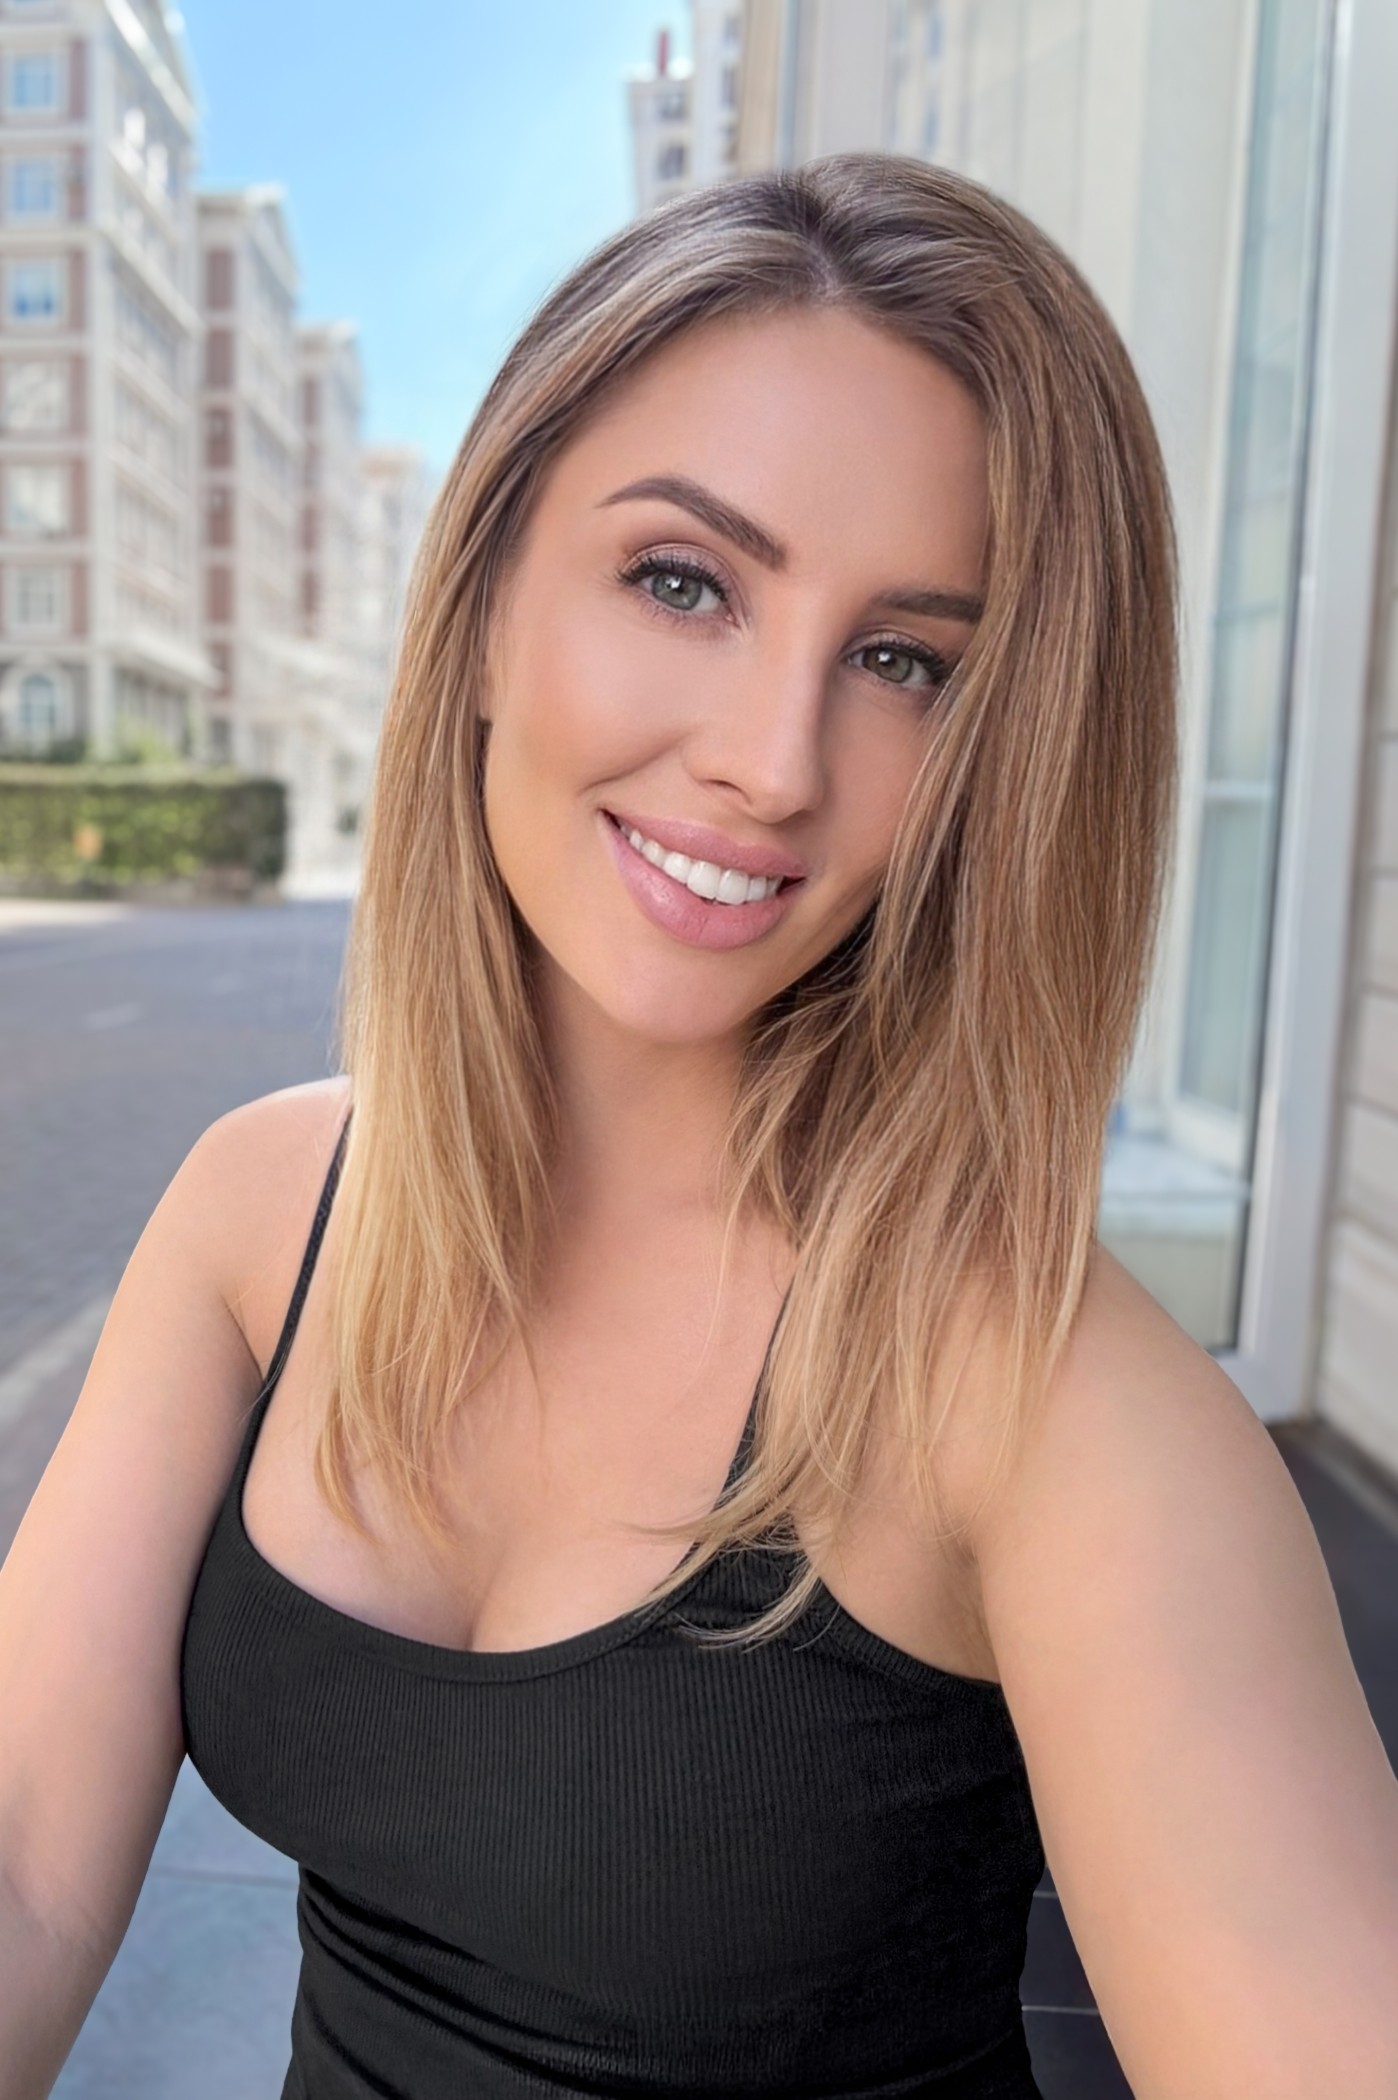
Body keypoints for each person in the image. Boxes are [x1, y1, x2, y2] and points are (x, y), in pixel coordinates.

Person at [2, 153, 1396, 2100]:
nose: (769, 761)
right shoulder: (261, 1208)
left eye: (905, 662)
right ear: (485, 607)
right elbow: (25, 1864)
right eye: (684, 581)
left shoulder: (1056, 1407)